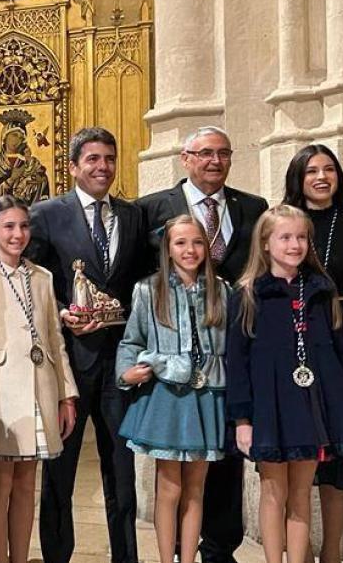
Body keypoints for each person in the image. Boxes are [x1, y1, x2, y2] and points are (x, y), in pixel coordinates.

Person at [137, 125, 267, 563]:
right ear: (185, 158)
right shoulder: (152, 208)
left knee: (224, 457)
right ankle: (175, 549)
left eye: (223, 153)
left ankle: (217, 547)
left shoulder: (253, 208)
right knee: (175, 471)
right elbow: (143, 283)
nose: (215, 161)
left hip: (228, 354)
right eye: (205, 153)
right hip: (172, 367)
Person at [226, 206, 343, 563]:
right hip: (269, 409)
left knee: (300, 494)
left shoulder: (321, 292)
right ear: (265, 243)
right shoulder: (248, 295)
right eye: (285, 237)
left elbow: (342, 356)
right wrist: (242, 420)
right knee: (272, 491)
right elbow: (237, 365)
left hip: (311, 408)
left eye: (301, 237)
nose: (295, 245)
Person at [28, 127, 149, 563]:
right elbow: (33, 283)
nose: (103, 167)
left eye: (110, 159)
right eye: (93, 159)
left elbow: (141, 281)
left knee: (121, 468)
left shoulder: (133, 216)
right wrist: (62, 311)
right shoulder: (45, 214)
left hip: (119, 363)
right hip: (69, 364)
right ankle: (57, 555)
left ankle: (126, 557)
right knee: (59, 470)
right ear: (74, 166)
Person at [0, 195, 77, 563]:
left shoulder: (42, 277)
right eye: (8, 226)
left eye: (24, 226)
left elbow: (55, 341)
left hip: (39, 388)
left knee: (27, 482)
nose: (17, 234)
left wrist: (66, 394)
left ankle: (20, 558)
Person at [280, 144, 343, 563]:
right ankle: (296, 550)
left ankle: (332, 551)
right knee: (296, 456)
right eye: (311, 171)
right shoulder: (282, 222)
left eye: (328, 169)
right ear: (298, 178)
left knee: (335, 460)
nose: (321, 177)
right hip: (291, 348)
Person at [116, 215, 229, 563]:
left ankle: (188, 559)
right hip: (167, 395)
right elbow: (130, 341)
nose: (189, 250)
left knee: (196, 487)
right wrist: (126, 372)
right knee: (170, 487)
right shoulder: (148, 290)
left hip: (207, 394)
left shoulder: (221, 290)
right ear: (167, 248)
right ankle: (167, 558)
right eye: (180, 243)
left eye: (197, 242)